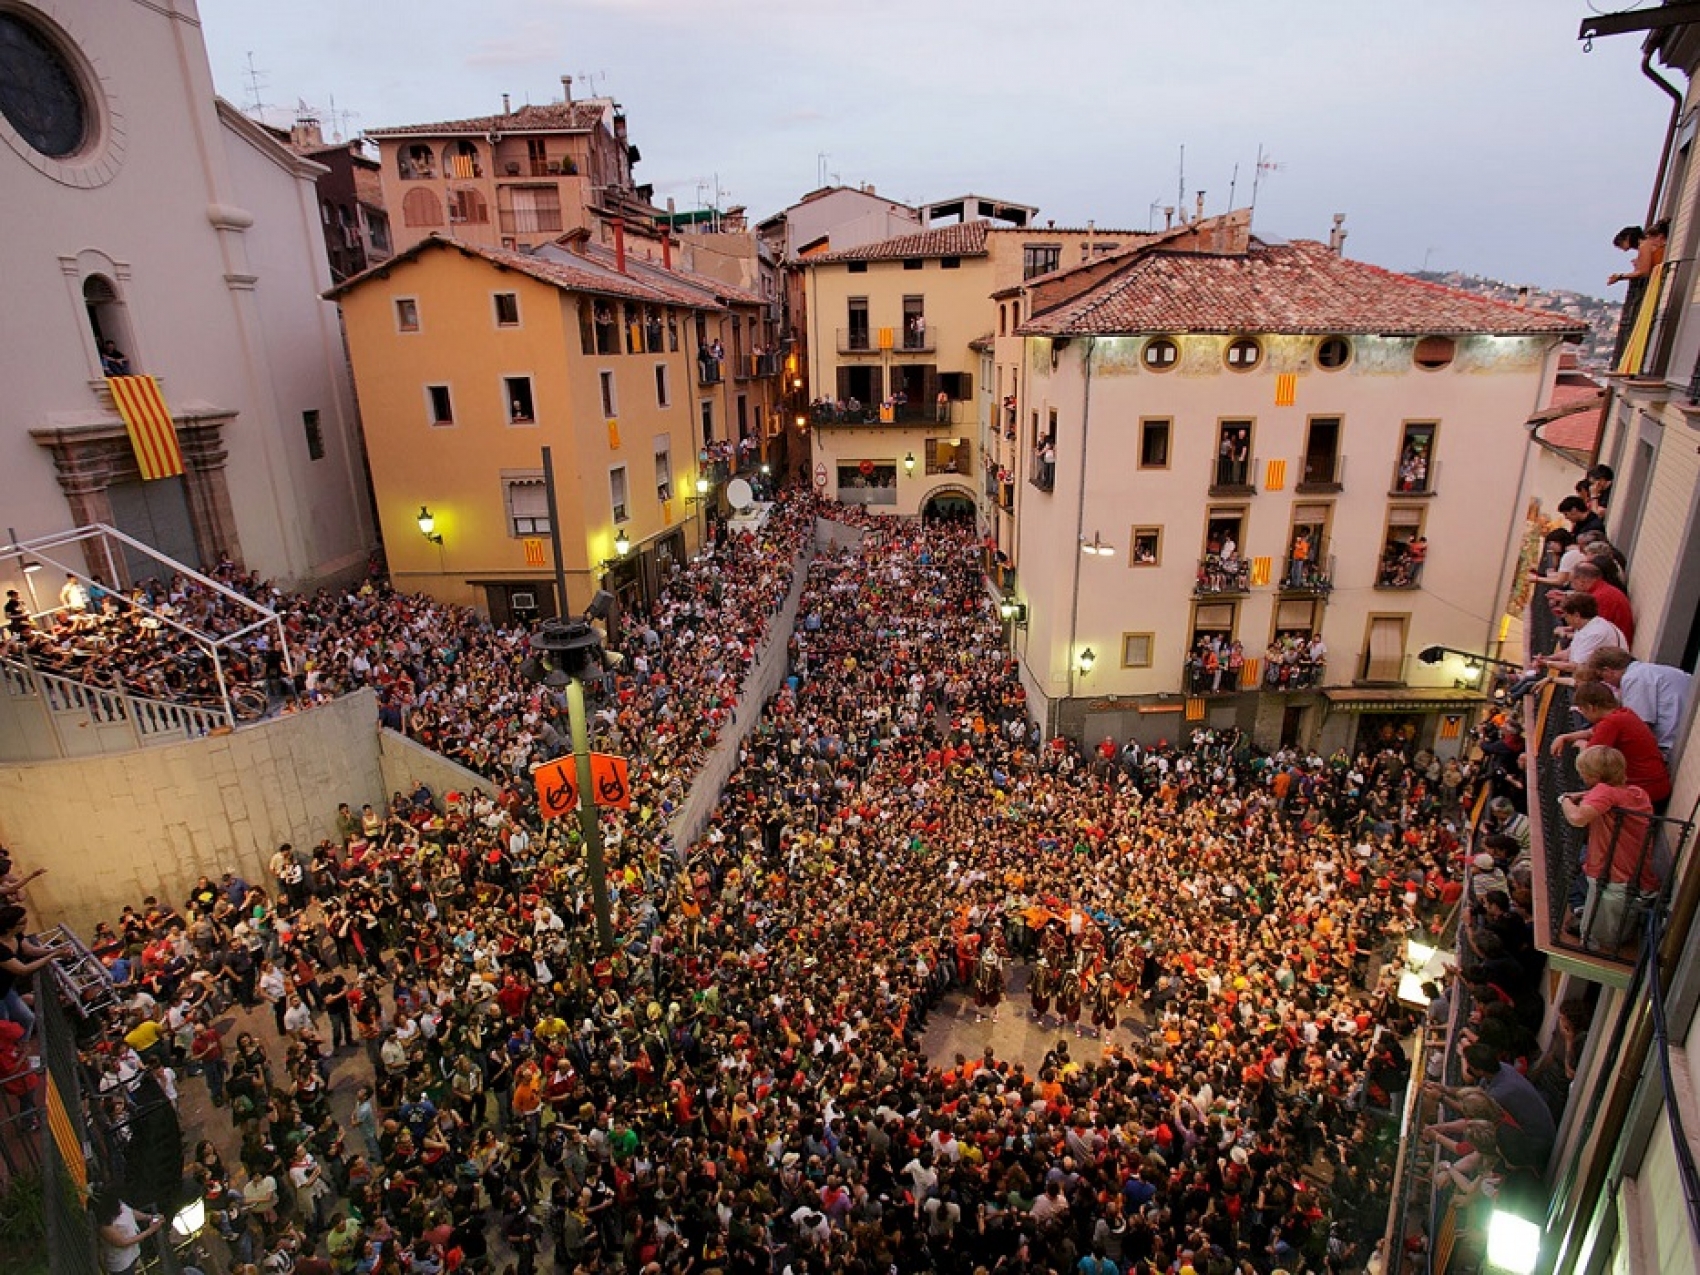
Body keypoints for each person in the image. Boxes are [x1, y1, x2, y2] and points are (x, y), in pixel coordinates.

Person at [1562, 745, 1658, 952]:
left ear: (1594, 776)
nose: (1581, 777)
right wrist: (1585, 794)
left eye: (1583, 774)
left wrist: (1565, 801)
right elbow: (1607, 796)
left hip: (1614, 876)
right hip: (1633, 875)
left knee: (1596, 943)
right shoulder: (1636, 793)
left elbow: (1577, 818)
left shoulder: (1604, 792)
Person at [1586, 647, 1692, 763]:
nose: (1605, 683)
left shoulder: (1633, 679)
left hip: (1671, 747)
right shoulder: (1650, 670)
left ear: (1608, 671)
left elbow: (1637, 727)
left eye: (1601, 678)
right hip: (1684, 737)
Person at [91, 1186, 163, 1273]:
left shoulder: (117, 1203)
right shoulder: (105, 1227)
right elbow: (123, 1242)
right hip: (122, 1264)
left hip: (133, 1254)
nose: (121, 1208)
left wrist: (150, 1217)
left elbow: (130, 1212)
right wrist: (150, 1231)